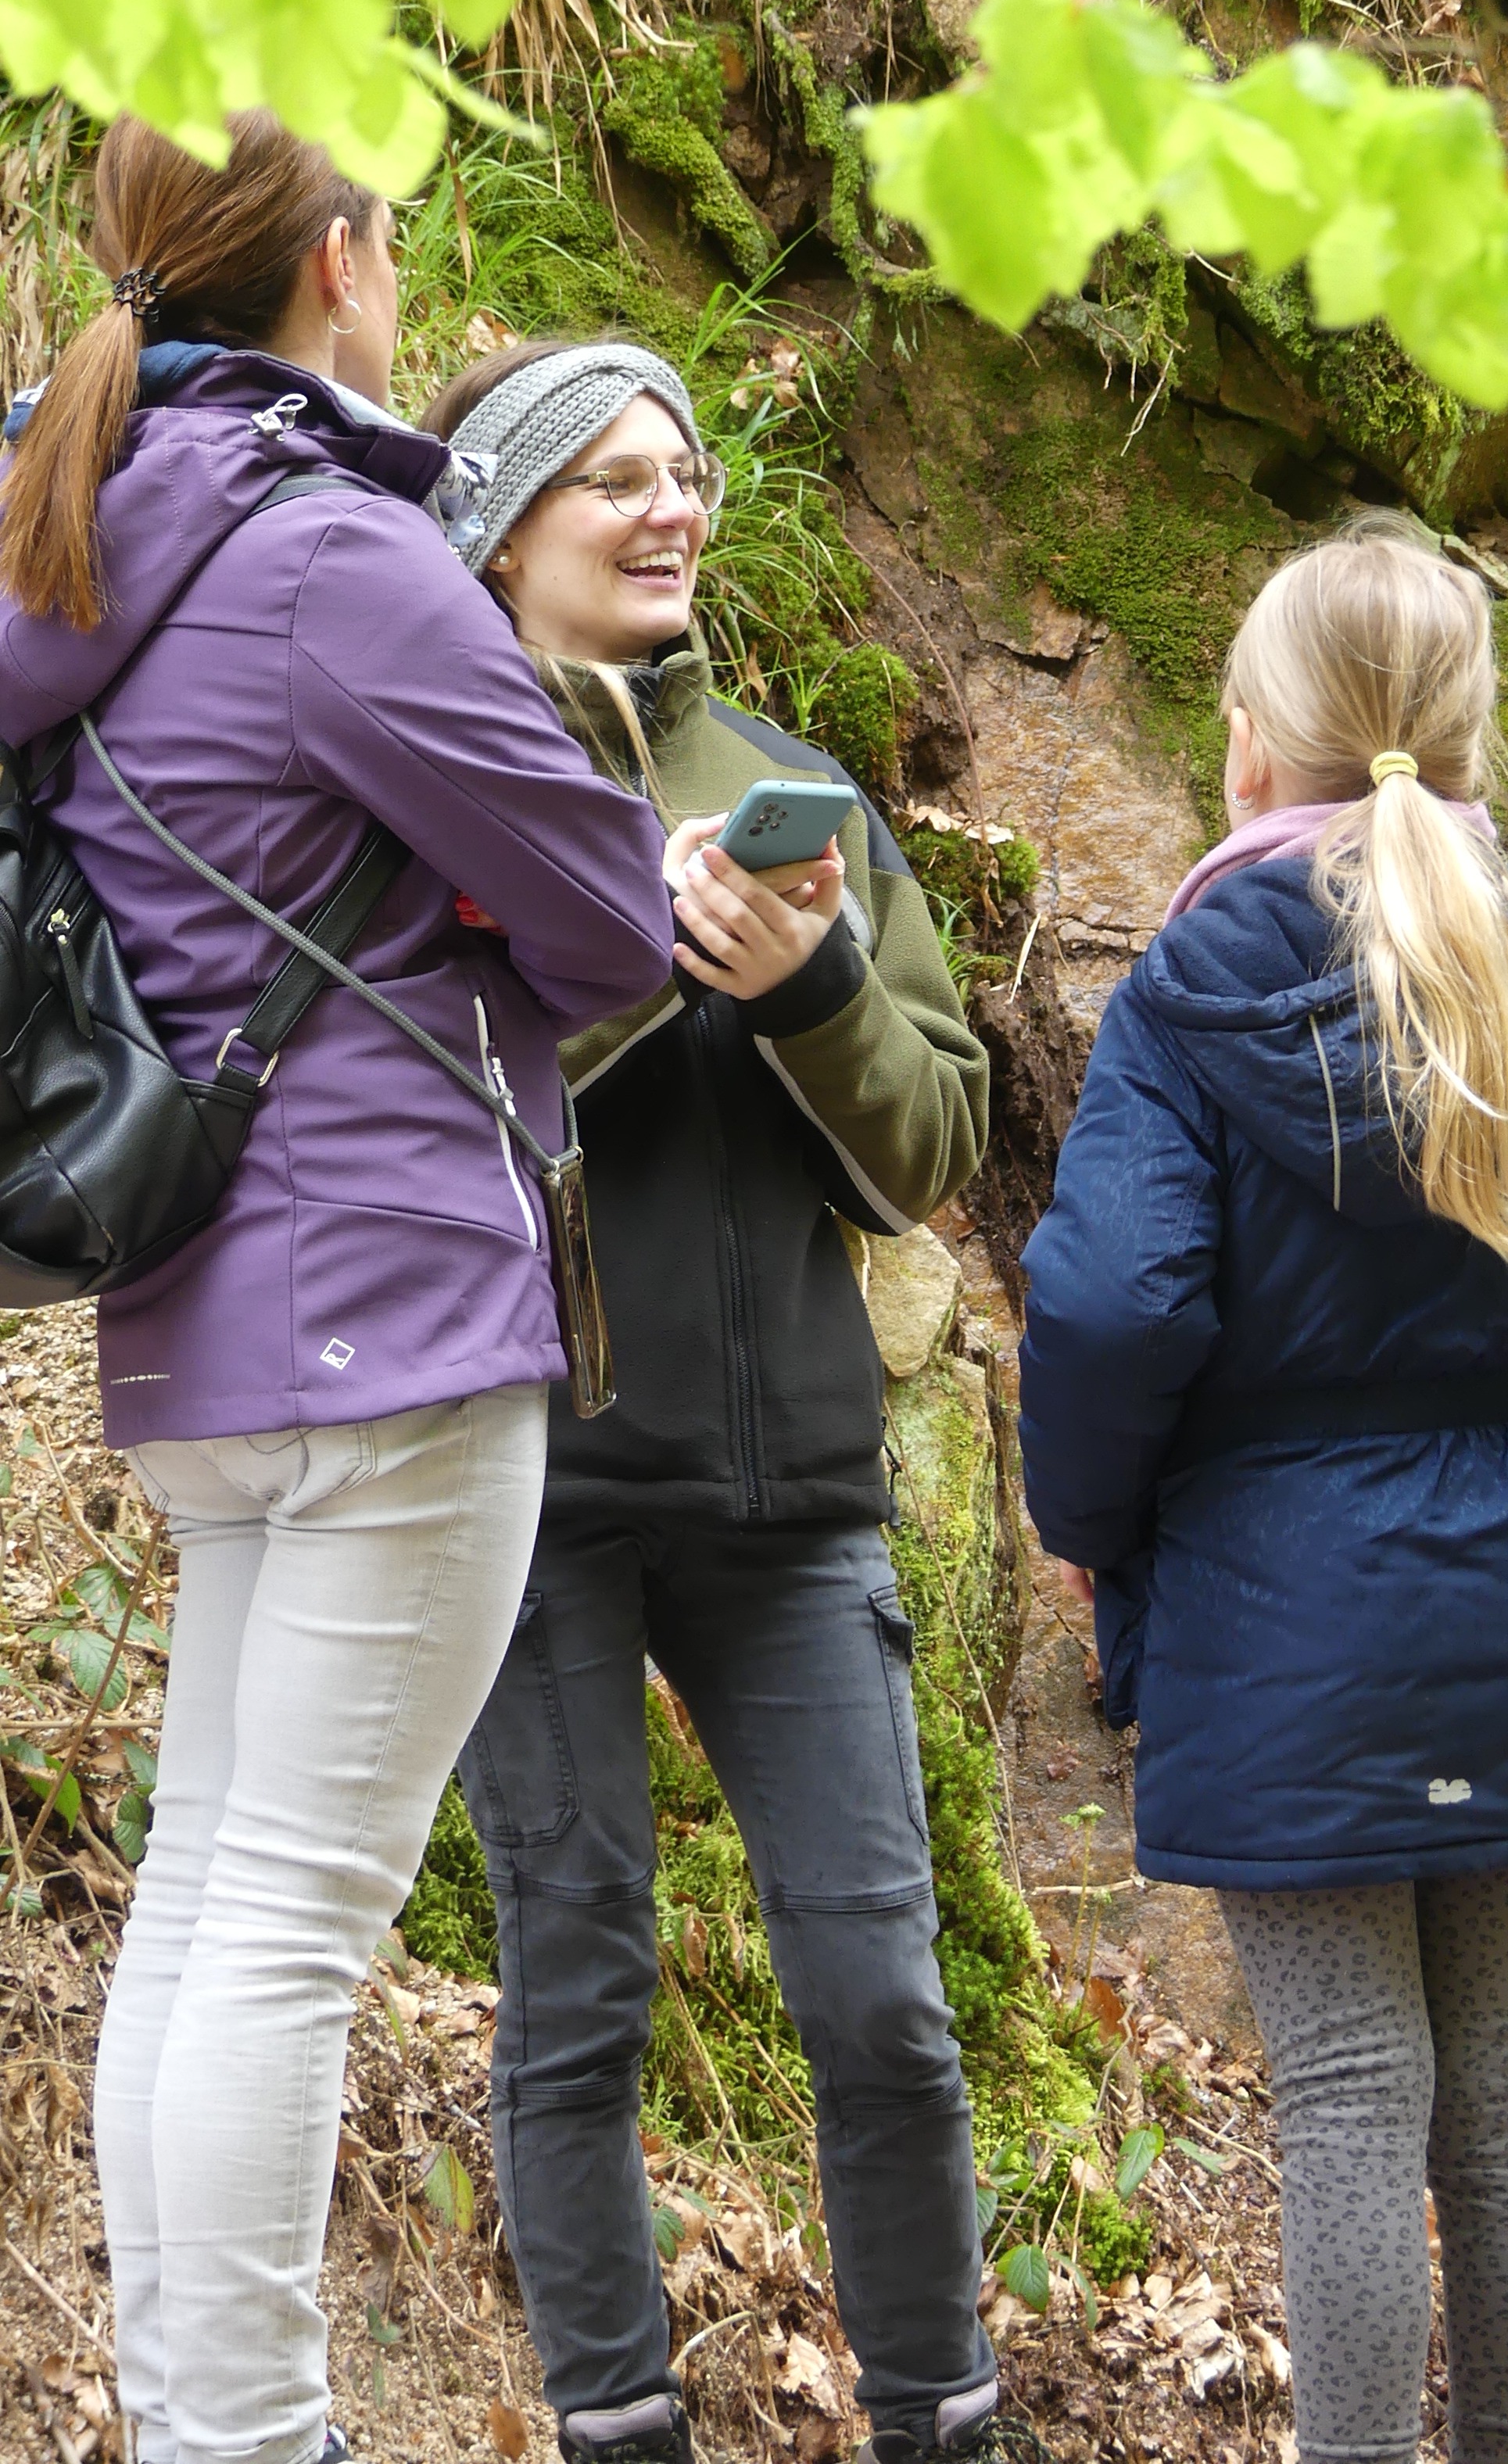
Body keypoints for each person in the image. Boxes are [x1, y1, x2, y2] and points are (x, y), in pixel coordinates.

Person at [0, 117, 678, 2464]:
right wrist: (485, 898)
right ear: (334, 259)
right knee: (283, 1929)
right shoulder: (340, 558)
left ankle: (205, 2431)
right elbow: (611, 915)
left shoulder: (69, 539)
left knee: (206, 1905)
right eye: (391, 232)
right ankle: (250, 2440)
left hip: (191, 1315)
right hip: (396, 1291)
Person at [1017, 515, 1508, 2464]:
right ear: (1472, 743)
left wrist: (1102, 1534)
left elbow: (1112, 1306)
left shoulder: (1180, 992)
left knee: (1341, 2088)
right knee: (1495, 2091)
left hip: (1272, 1601)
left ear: (1248, 748)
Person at [413, 340, 1015, 2464]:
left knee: (889, 2009)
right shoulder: (424, 770)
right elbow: (379, 1117)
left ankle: (948, 2417)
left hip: (792, 1501)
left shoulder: (795, 785)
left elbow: (938, 1134)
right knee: (577, 1997)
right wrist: (629, 979)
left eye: (685, 476)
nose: (670, 510)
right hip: (526, 1485)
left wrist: (808, 987)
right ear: (498, 527)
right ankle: (615, 2429)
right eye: (611, 480)